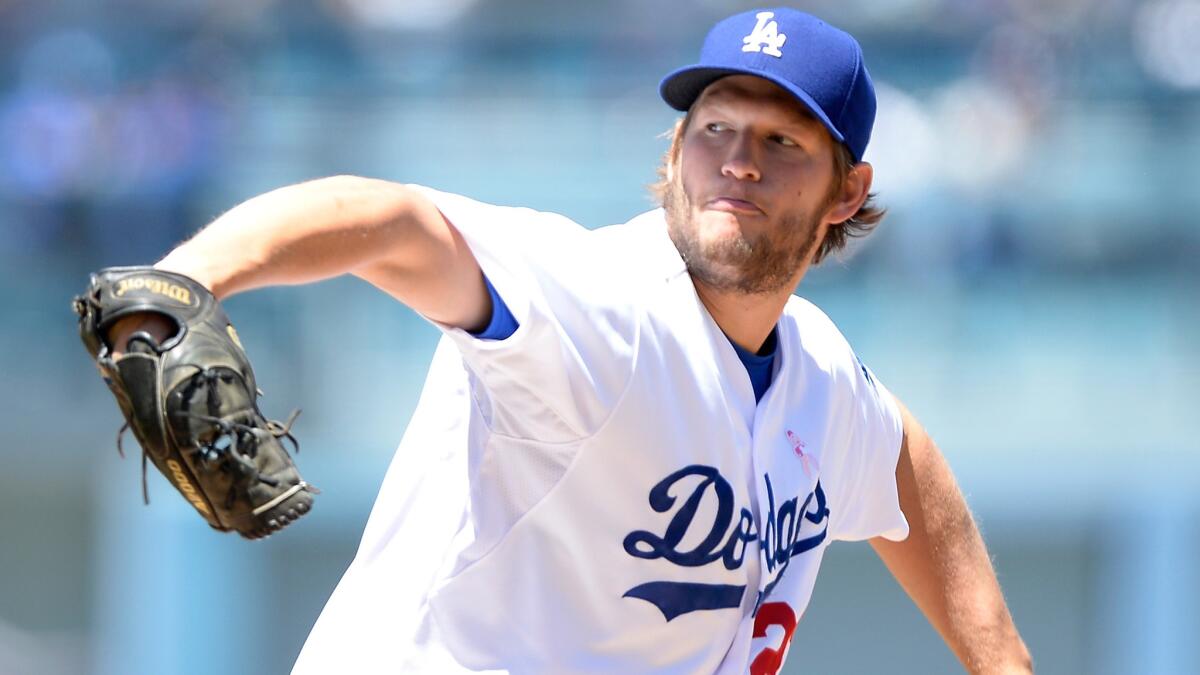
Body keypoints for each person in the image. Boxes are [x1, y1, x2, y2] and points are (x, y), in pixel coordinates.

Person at [106, 8, 1031, 674]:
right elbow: (389, 221)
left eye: (783, 141)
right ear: (674, 155)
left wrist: (1001, 657)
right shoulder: (601, 306)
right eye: (715, 128)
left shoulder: (821, 377)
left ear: (846, 190)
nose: (739, 160)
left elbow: (901, 456)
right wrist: (175, 290)